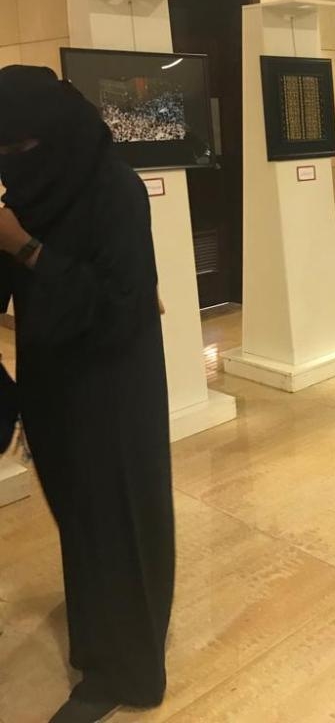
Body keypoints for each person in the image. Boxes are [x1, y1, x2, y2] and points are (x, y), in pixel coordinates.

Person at [0, 66, 175, 723]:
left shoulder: (116, 191)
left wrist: (25, 247)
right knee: (82, 520)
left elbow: (122, 309)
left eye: (20, 147)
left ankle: (126, 671)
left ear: (54, 133)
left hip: (112, 384)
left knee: (118, 519)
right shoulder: (33, 189)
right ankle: (104, 639)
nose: (12, 161)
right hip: (53, 379)